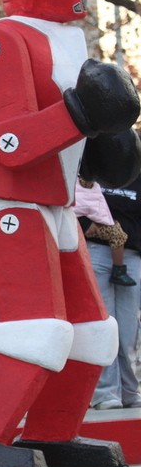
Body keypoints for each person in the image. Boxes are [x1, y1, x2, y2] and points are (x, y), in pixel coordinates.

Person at [0, 0, 141, 467]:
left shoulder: (67, 40)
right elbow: (7, 141)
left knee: (92, 331)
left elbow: (67, 139)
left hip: (58, 204)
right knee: (37, 326)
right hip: (14, 204)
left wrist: (106, 144)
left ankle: (52, 432)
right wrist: (83, 114)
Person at [82, 174, 141, 409]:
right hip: (97, 250)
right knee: (103, 324)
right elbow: (72, 204)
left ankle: (129, 391)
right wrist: (85, 227)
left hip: (132, 255)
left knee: (128, 328)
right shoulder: (94, 176)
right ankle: (105, 393)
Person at [74, 177, 136, 287]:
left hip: (132, 254)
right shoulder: (85, 180)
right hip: (95, 245)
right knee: (118, 235)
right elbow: (68, 205)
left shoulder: (95, 183)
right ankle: (119, 270)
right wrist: (84, 223)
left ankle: (118, 269)